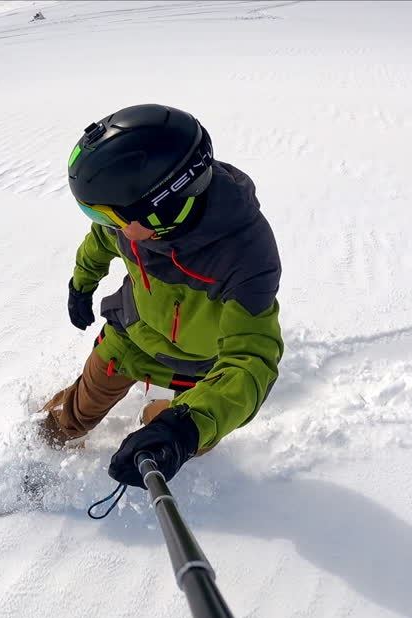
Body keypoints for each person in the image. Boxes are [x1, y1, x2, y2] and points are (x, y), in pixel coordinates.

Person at [42, 104, 284, 490]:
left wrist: (184, 430)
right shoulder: (134, 223)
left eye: (109, 215)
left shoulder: (245, 259)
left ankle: (159, 416)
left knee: (168, 430)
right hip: (132, 336)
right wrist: (81, 284)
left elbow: (252, 361)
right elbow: (99, 241)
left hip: (199, 369)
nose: (106, 225)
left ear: (159, 215)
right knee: (81, 404)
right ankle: (47, 439)